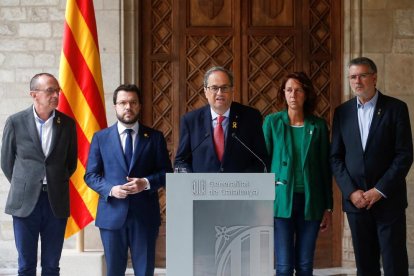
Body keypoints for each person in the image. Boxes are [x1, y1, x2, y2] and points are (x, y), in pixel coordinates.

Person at [330, 57, 413, 276]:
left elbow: (404, 155)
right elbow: (336, 157)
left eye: (362, 75)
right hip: (357, 203)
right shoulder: (342, 112)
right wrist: (351, 192)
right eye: (353, 77)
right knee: (365, 266)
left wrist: (379, 190)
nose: (357, 81)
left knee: (395, 264)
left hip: (388, 201)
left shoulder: (396, 108)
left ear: (374, 77)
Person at [84, 84, 172, 276]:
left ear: (139, 106)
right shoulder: (101, 138)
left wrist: (145, 183)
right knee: (114, 272)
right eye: (123, 103)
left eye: (132, 102)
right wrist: (110, 189)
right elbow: (90, 176)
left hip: (145, 217)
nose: (128, 107)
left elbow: (167, 173)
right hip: (111, 216)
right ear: (115, 106)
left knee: (145, 271)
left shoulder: (154, 137)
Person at [1, 73, 77, 275]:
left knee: (52, 265)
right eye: (50, 90)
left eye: (57, 90)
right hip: (25, 203)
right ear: (34, 94)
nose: (56, 95)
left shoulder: (67, 124)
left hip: (55, 202)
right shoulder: (16, 122)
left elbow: (71, 163)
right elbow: (7, 162)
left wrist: (52, 181)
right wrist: (26, 184)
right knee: (26, 265)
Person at [262, 72, 332, 275]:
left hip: (311, 202)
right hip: (281, 200)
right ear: (283, 93)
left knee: (304, 265)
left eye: (298, 90)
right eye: (289, 90)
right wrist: (263, 201)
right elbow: (263, 163)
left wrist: (328, 207)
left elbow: (324, 168)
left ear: (306, 94)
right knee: (284, 266)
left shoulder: (318, 126)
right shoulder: (272, 122)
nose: (293, 94)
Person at [174, 66, 268, 172]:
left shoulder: (251, 117)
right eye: (214, 88)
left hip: (240, 187)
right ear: (205, 91)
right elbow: (181, 162)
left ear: (232, 90)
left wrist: (243, 182)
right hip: (202, 187)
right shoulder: (190, 121)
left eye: (224, 88)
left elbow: (261, 160)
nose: (219, 93)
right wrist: (193, 182)